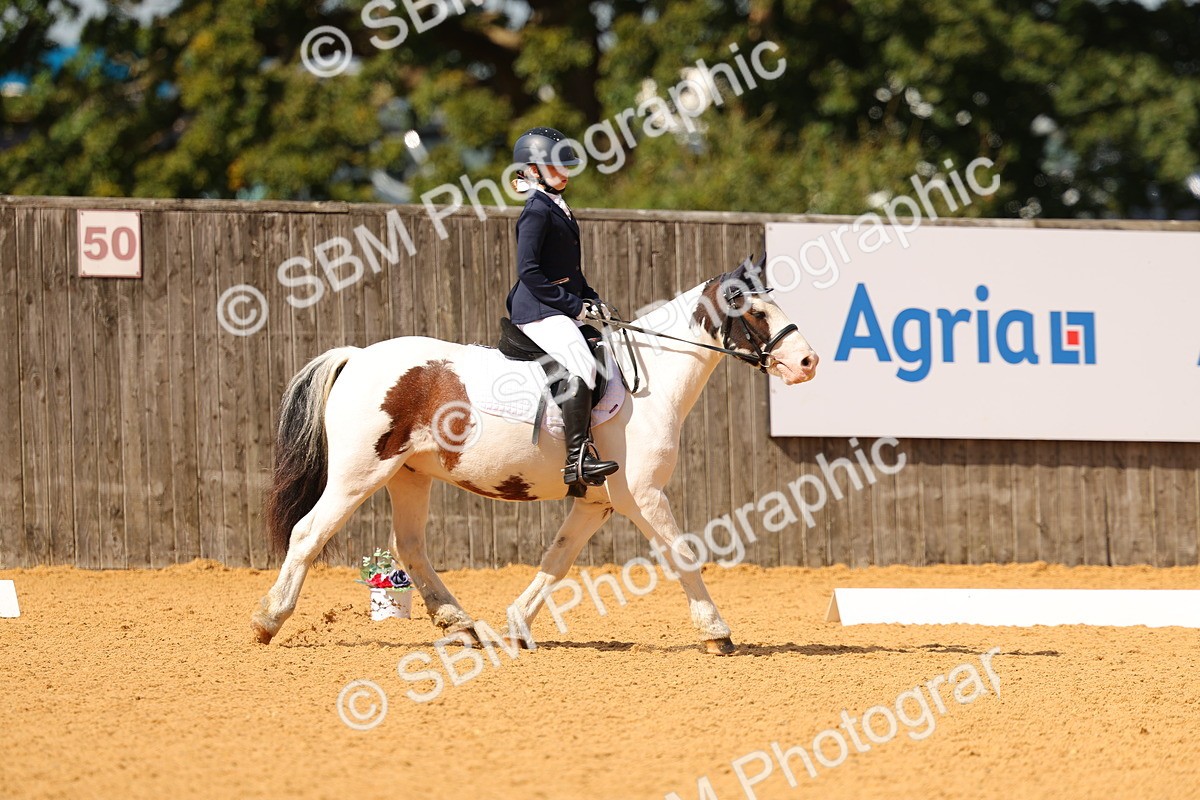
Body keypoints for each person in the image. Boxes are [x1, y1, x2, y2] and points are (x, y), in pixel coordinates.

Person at [505, 126, 619, 488]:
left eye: (566, 165)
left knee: (602, 350)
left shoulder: (559, 207)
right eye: (556, 166)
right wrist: (574, 307)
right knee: (582, 362)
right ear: (534, 170)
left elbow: (569, 272)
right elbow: (529, 271)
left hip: (558, 306)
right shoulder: (536, 210)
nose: (565, 172)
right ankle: (577, 459)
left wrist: (592, 298)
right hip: (537, 310)